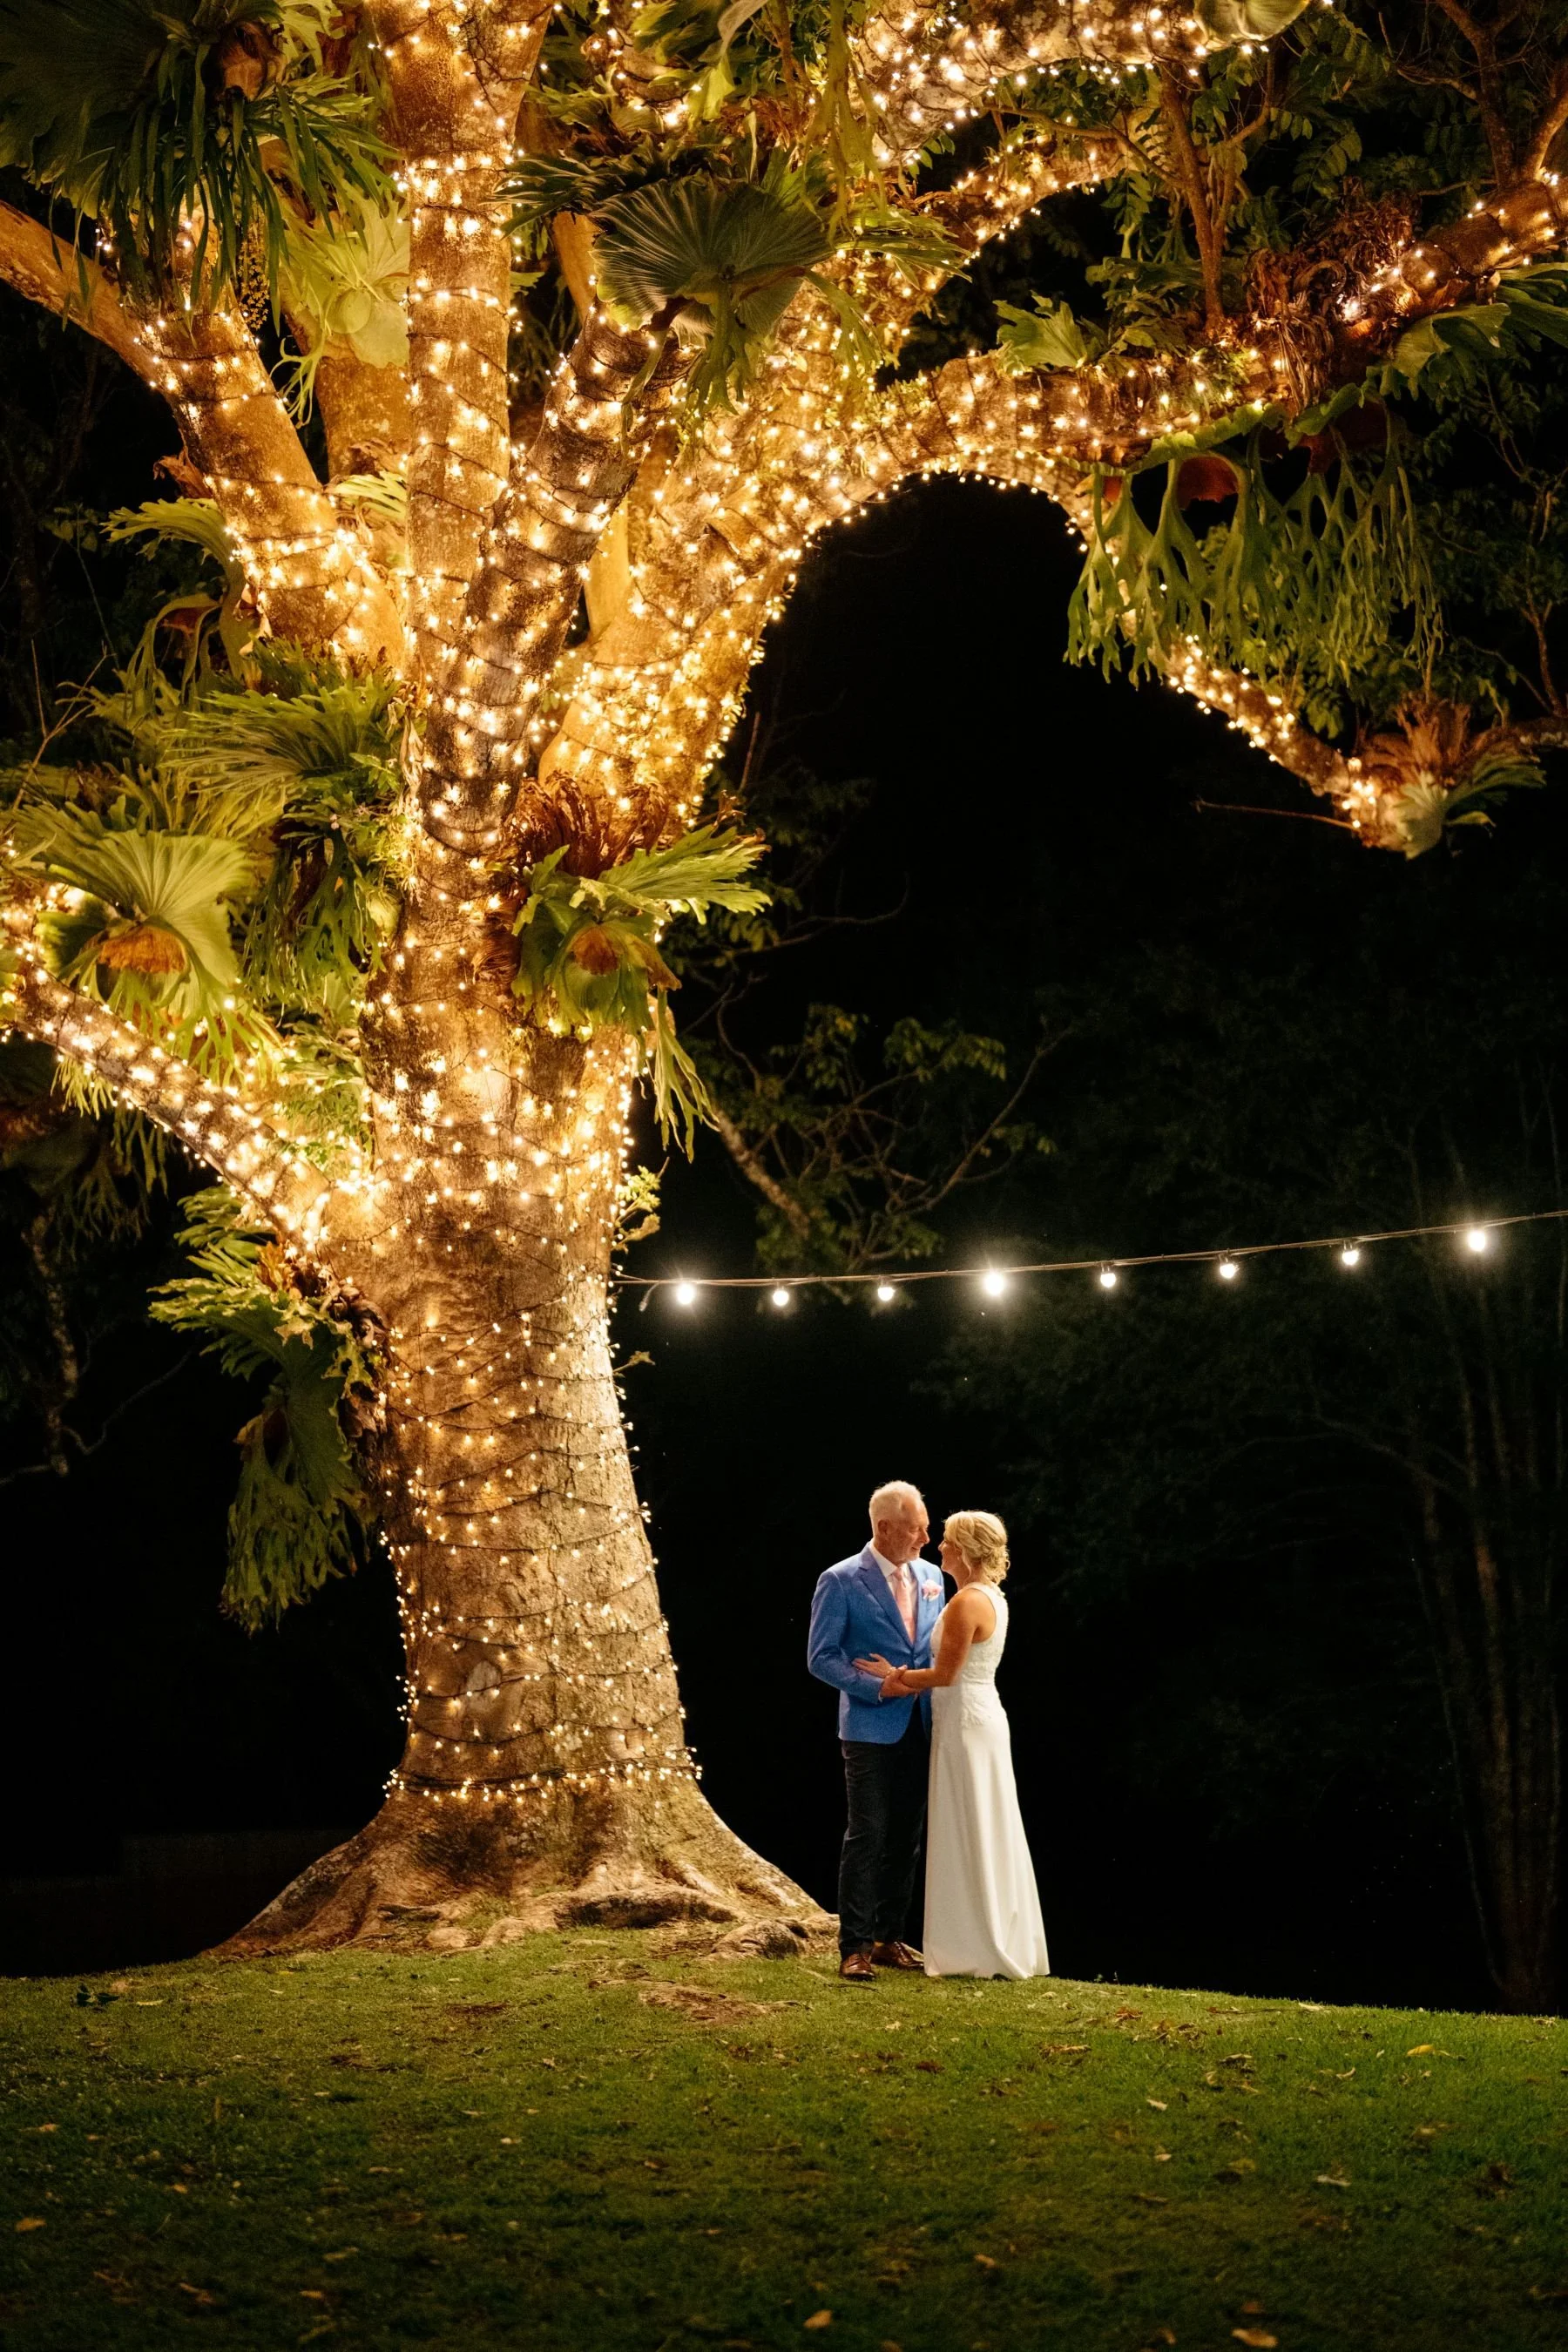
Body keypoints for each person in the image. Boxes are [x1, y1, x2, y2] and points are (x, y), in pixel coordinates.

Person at [856, 1510, 1049, 1980]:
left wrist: (893, 1676)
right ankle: (986, 1935)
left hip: (966, 1723)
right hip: (972, 1720)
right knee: (980, 1822)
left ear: (964, 1549)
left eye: (946, 1540)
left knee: (972, 1824)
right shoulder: (990, 1597)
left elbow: (945, 1674)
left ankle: (979, 1943)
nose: (938, 1546)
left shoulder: (967, 1603)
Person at [807, 1481, 947, 1984]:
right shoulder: (841, 1580)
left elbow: (933, 1653)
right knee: (868, 1833)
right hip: (869, 1726)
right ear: (885, 1528)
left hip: (922, 1722)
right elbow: (821, 1658)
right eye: (917, 1528)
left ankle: (891, 1939)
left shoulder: (933, 1577)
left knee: (907, 1835)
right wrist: (877, 1686)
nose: (926, 1538)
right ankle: (855, 1947)